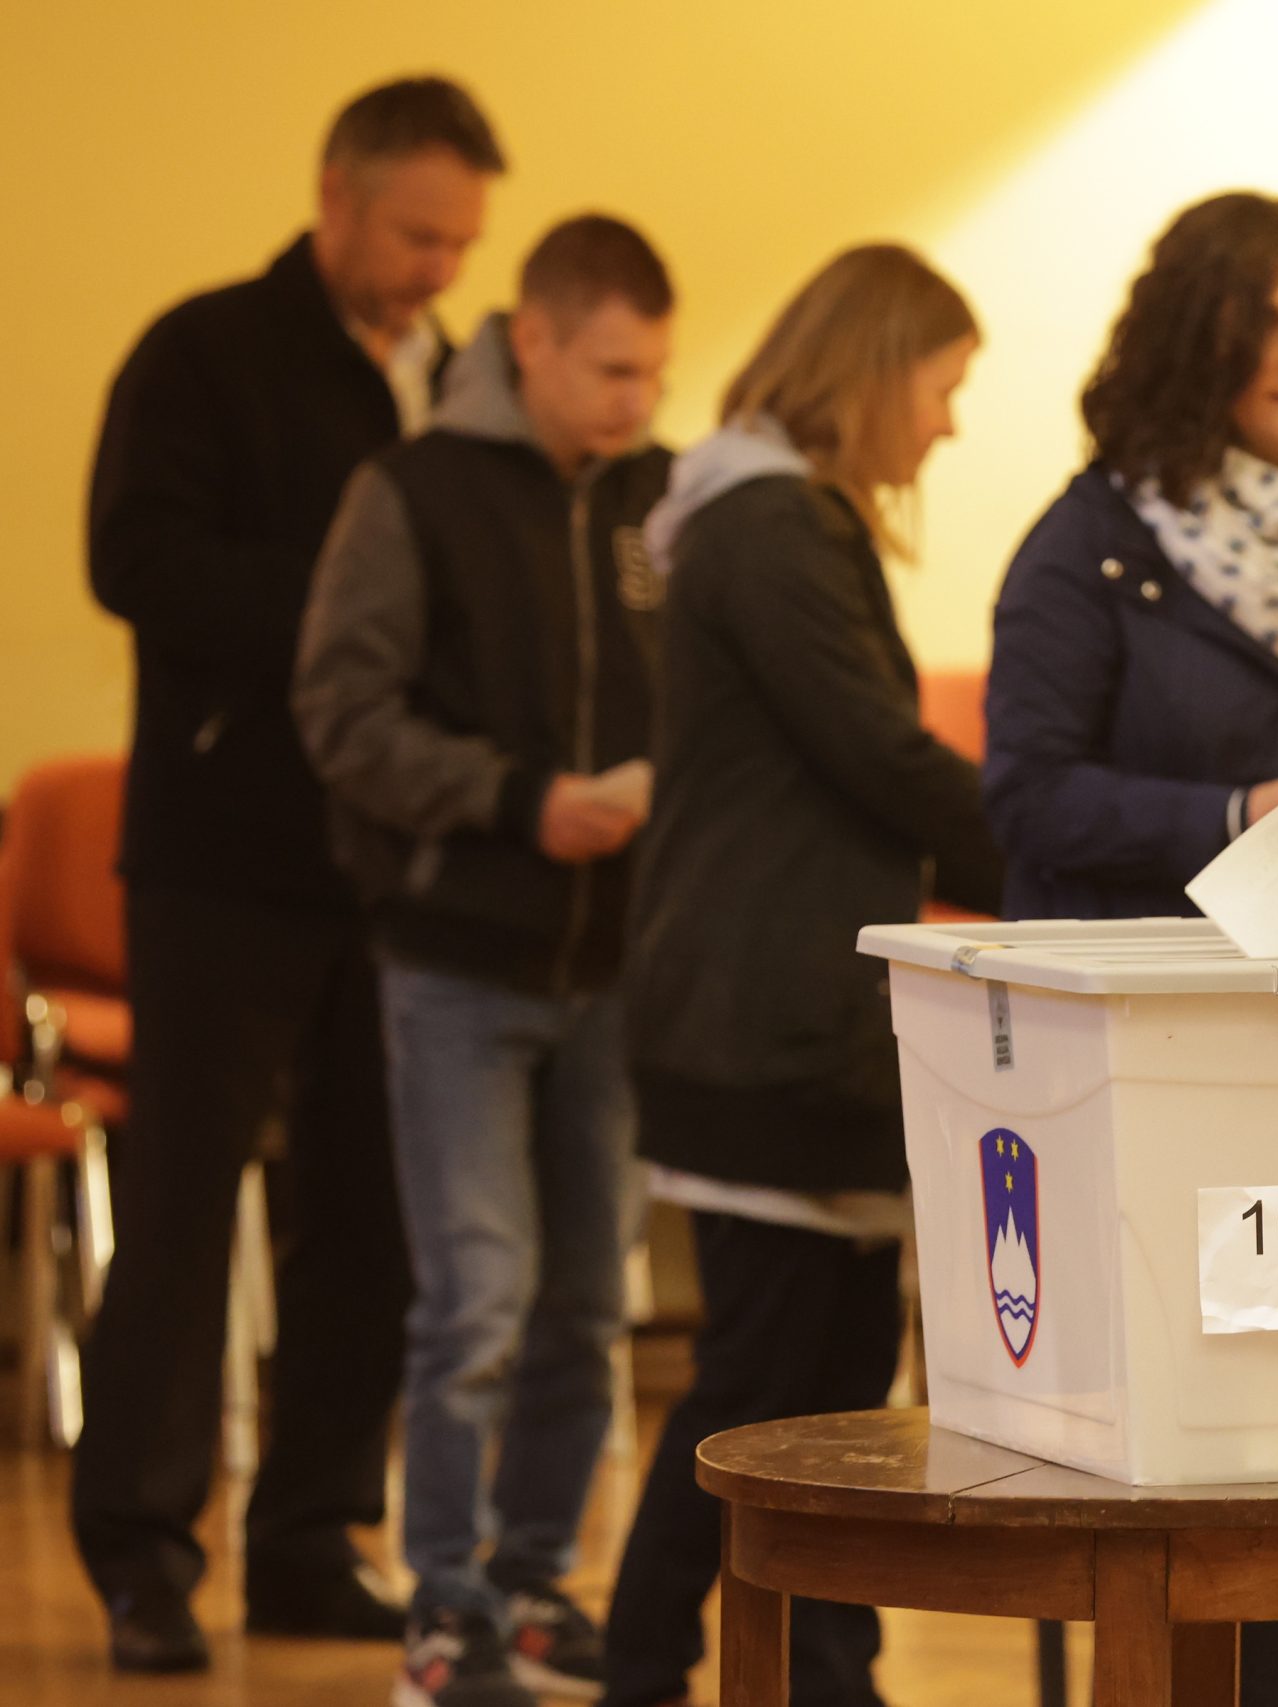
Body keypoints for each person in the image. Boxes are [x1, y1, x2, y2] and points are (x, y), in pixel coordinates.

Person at [77, 75, 504, 1674]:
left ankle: (311, 1535)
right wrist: (351, 624)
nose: (434, 270)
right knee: (183, 1209)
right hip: (222, 858)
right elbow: (135, 560)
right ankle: (139, 1549)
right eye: (413, 234)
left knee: (373, 1216)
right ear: (335, 197)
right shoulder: (205, 353)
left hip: (396, 869)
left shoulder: (460, 377)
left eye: (458, 241)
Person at [601, 245, 1004, 1707]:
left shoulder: (771, 515)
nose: (946, 427)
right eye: (941, 388)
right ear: (872, 367)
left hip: (782, 1006)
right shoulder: (768, 525)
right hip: (755, 1013)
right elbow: (874, 753)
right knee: (765, 1386)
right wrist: (1064, 878)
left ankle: (827, 1669)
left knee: (829, 1387)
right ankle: (640, 1663)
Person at [295, 213, 676, 1707]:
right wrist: (522, 800)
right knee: (477, 1300)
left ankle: (531, 1585)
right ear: (530, 338)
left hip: (616, 966)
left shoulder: (667, 499)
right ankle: (441, 1601)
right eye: (610, 368)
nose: (638, 401)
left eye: (654, 370)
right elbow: (342, 714)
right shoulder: (412, 492)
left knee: (589, 1301)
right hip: (459, 957)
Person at [984, 191, 1278, 932]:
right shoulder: (1092, 542)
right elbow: (1028, 799)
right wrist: (1240, 813)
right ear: (1189, 342)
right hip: (1143, 989)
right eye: (1264, 323)